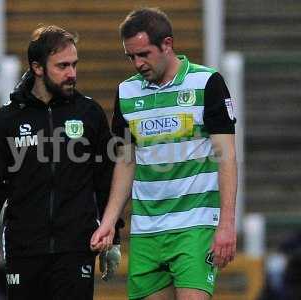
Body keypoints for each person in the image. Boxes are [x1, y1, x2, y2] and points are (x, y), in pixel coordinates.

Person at [0, 25, 122, 300]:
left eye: (74, 64)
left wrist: (114, 234)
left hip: (75, 248)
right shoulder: (6, 121)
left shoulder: (89, 114)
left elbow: (107, 179)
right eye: (62, 66)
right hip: (24, 249)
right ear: (37, 67)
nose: (72, 73)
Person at [91, 8, 237, 300]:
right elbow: (126, 162)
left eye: (144, 54)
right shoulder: (127, 92)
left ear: (167, 44)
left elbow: (228, 157)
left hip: (195, 225)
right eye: (131, 56)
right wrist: (108, 220)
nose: (137, 63)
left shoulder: (207, 83)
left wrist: (227, 225)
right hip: (147, 229)